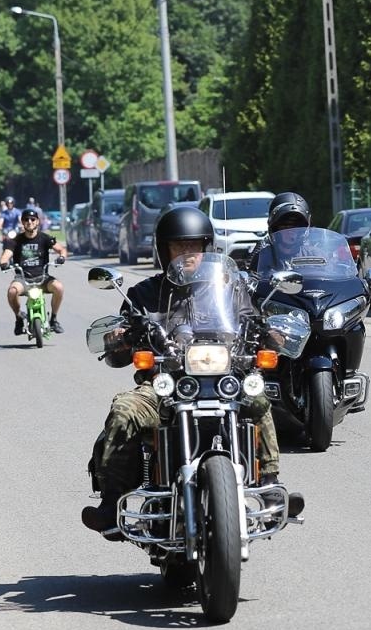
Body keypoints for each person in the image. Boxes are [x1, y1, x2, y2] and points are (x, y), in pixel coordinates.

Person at [81, 203, 303, 534]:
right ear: (164, 249)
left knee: (257, 399)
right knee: (125, 409)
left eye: (194, 246)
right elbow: (117, 355)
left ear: (206, 248)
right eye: (179, 246)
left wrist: (269, 332)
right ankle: (112, 502)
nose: (188, 253)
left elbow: (251, 322)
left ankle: (270, 488)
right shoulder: (143, 294)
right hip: (164, 385)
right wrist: (123, 336)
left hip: (224, 379)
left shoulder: (229, 288)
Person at [0, 204, 67, 334]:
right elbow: (6, 255)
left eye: (32, 219)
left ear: (37, 221)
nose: (29, 222)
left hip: (43, 278)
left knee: (59, 287)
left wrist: (62, 257)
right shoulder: (16, 240)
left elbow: (61, 249)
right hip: (23, 278)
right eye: (26, 219)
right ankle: (18, 318)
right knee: (12, 291)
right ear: (22, 222)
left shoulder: (45, 238)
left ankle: (54, 319)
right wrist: (3, 263)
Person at [253, 191, 353, 272]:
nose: (290, 231)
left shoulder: (317, 255)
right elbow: (251, 286)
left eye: (296, 226)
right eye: (284, 227)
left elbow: (331, 279)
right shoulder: (263, 256)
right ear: (274, 227)